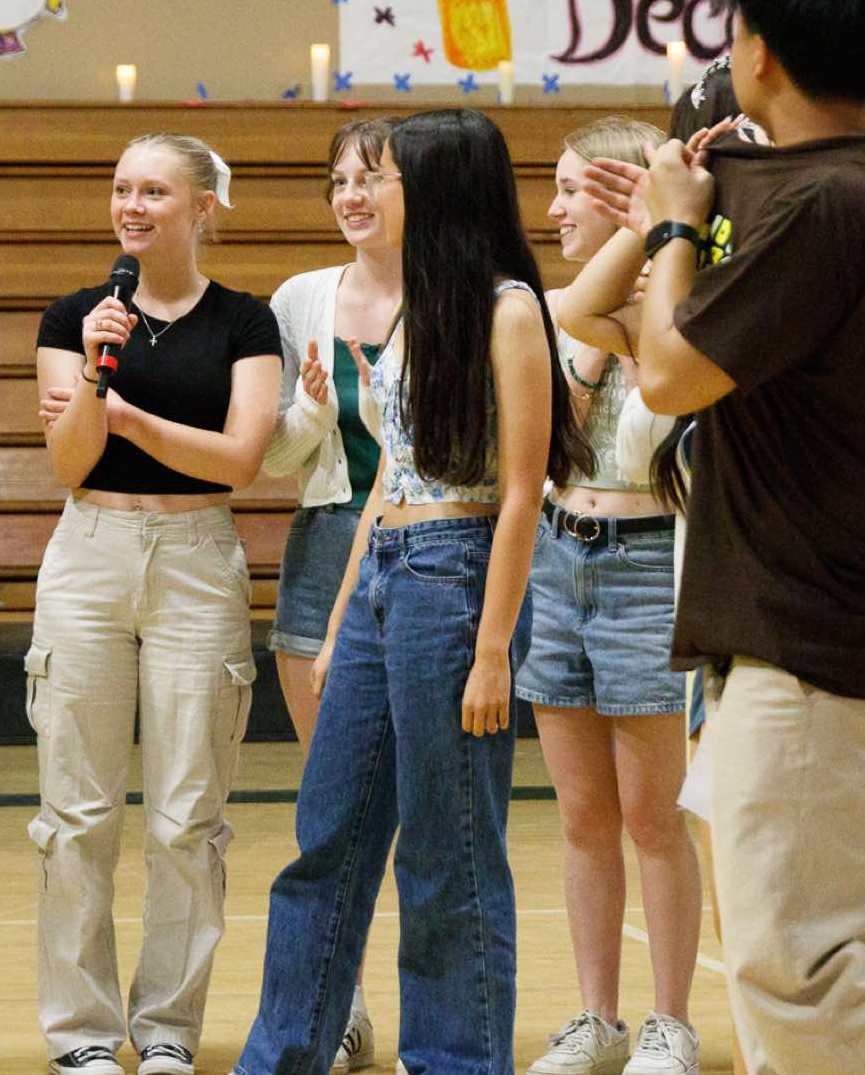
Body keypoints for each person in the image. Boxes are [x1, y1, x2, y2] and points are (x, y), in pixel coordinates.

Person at [629, 0, 865, 1074]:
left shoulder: (824, 203)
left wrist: (672, 225)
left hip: (811, 632)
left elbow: (666, 375)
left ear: (760, 53)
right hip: (831, 619)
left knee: (798, 970)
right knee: (819, 967)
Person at [234, 107, 591, 1075]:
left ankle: (455, 1060)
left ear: (438, 186)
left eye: (385, 174)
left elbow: (521, 492)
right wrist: (342, 616)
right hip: (383, 567)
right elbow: (389, 474)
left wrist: (492, 649)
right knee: (328, 833)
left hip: (455, 576)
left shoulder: (507, 307)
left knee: (446, 848)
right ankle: (280, 1056)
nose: (367, 190)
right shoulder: (415, 309)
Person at [30, 133, 283, 1075]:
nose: (131, 206)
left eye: (154, 191)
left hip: (196, 557)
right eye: (121, 189)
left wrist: (125, 415)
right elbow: (70, 460)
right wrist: (97, 371)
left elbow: (239, 460)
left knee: (186, 816)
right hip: (89, 553)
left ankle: (170, 1027)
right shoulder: (74, 318)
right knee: (77, 813)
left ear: (202, 208)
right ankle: (83, 1033)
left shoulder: (245, 321)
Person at [515, 115, 704, 1075]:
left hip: (649, 564)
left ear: (626, 195)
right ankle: (598, 1016)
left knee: (652, 814)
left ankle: (671, 1021)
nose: (551, 210)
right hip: (560, 558)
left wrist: (656, 230)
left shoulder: (684, 307)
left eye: (569, 190)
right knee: (583, 814)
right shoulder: (560, 309)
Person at [260, 116, 402, 1072]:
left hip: (429, 548)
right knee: (333, 809)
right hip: (322, 550)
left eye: (371, 177)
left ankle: (435, 1015)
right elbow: (273, 454)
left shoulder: (456, 292)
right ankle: (341, 1009)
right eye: (339, 180)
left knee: (426, 807)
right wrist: (312, 408)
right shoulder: (300, 298)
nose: (351, 195)